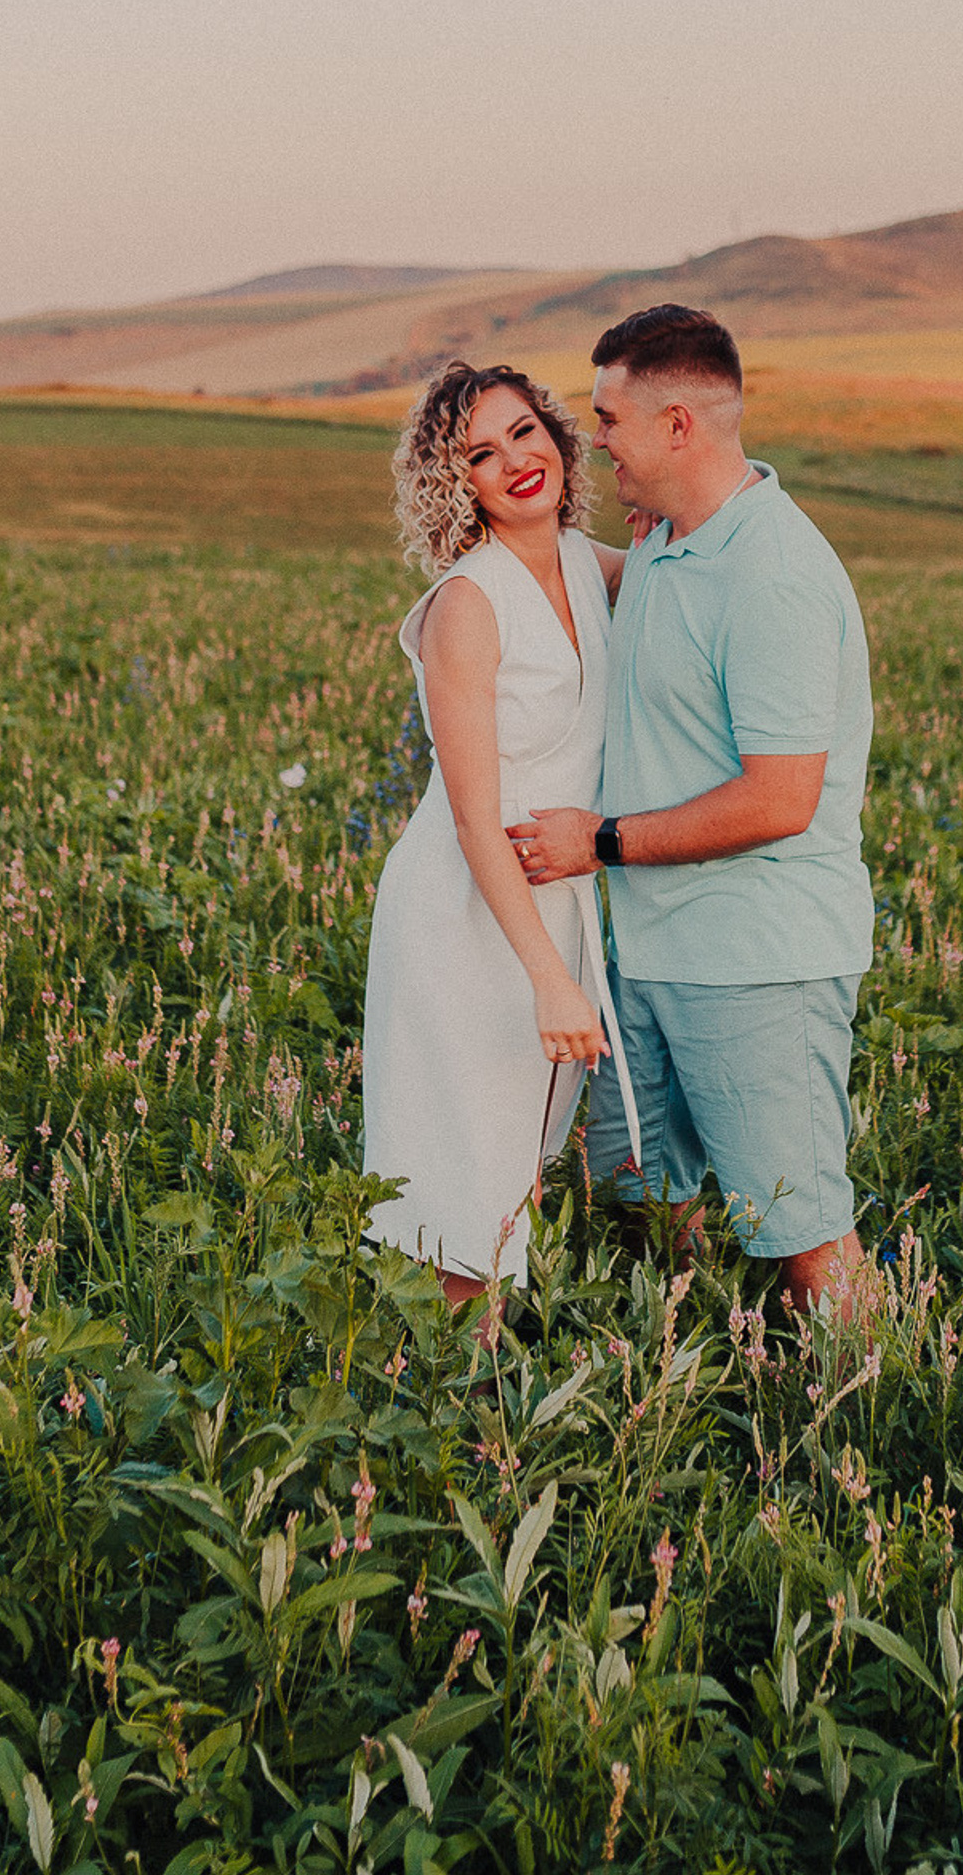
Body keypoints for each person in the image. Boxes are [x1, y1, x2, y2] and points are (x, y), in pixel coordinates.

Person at [509, 305, 874, 1313]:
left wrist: (600, 841)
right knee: (632, 1178)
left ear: (679, 425)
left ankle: (876, 1425)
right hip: (658, 950)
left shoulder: (774, 576)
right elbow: (604, 592)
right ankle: (708, 1351)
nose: (593, 439)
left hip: (759, 957)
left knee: (800, 1229)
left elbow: (781, 798)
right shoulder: (674, 541)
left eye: (608, 417)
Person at [359, 360, 644, 1311]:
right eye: (481, 452)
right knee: (461, 1179)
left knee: (513, 1174)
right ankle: (445, 1422)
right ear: (458, 484)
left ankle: (464, 1414)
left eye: (525, 432)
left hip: (552, 900)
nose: (516, 460)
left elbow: (689, 557)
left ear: (559, 438)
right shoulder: (466, 604)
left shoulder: (586, 565)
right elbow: (477, 815)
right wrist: (549, 978)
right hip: (465, 913)